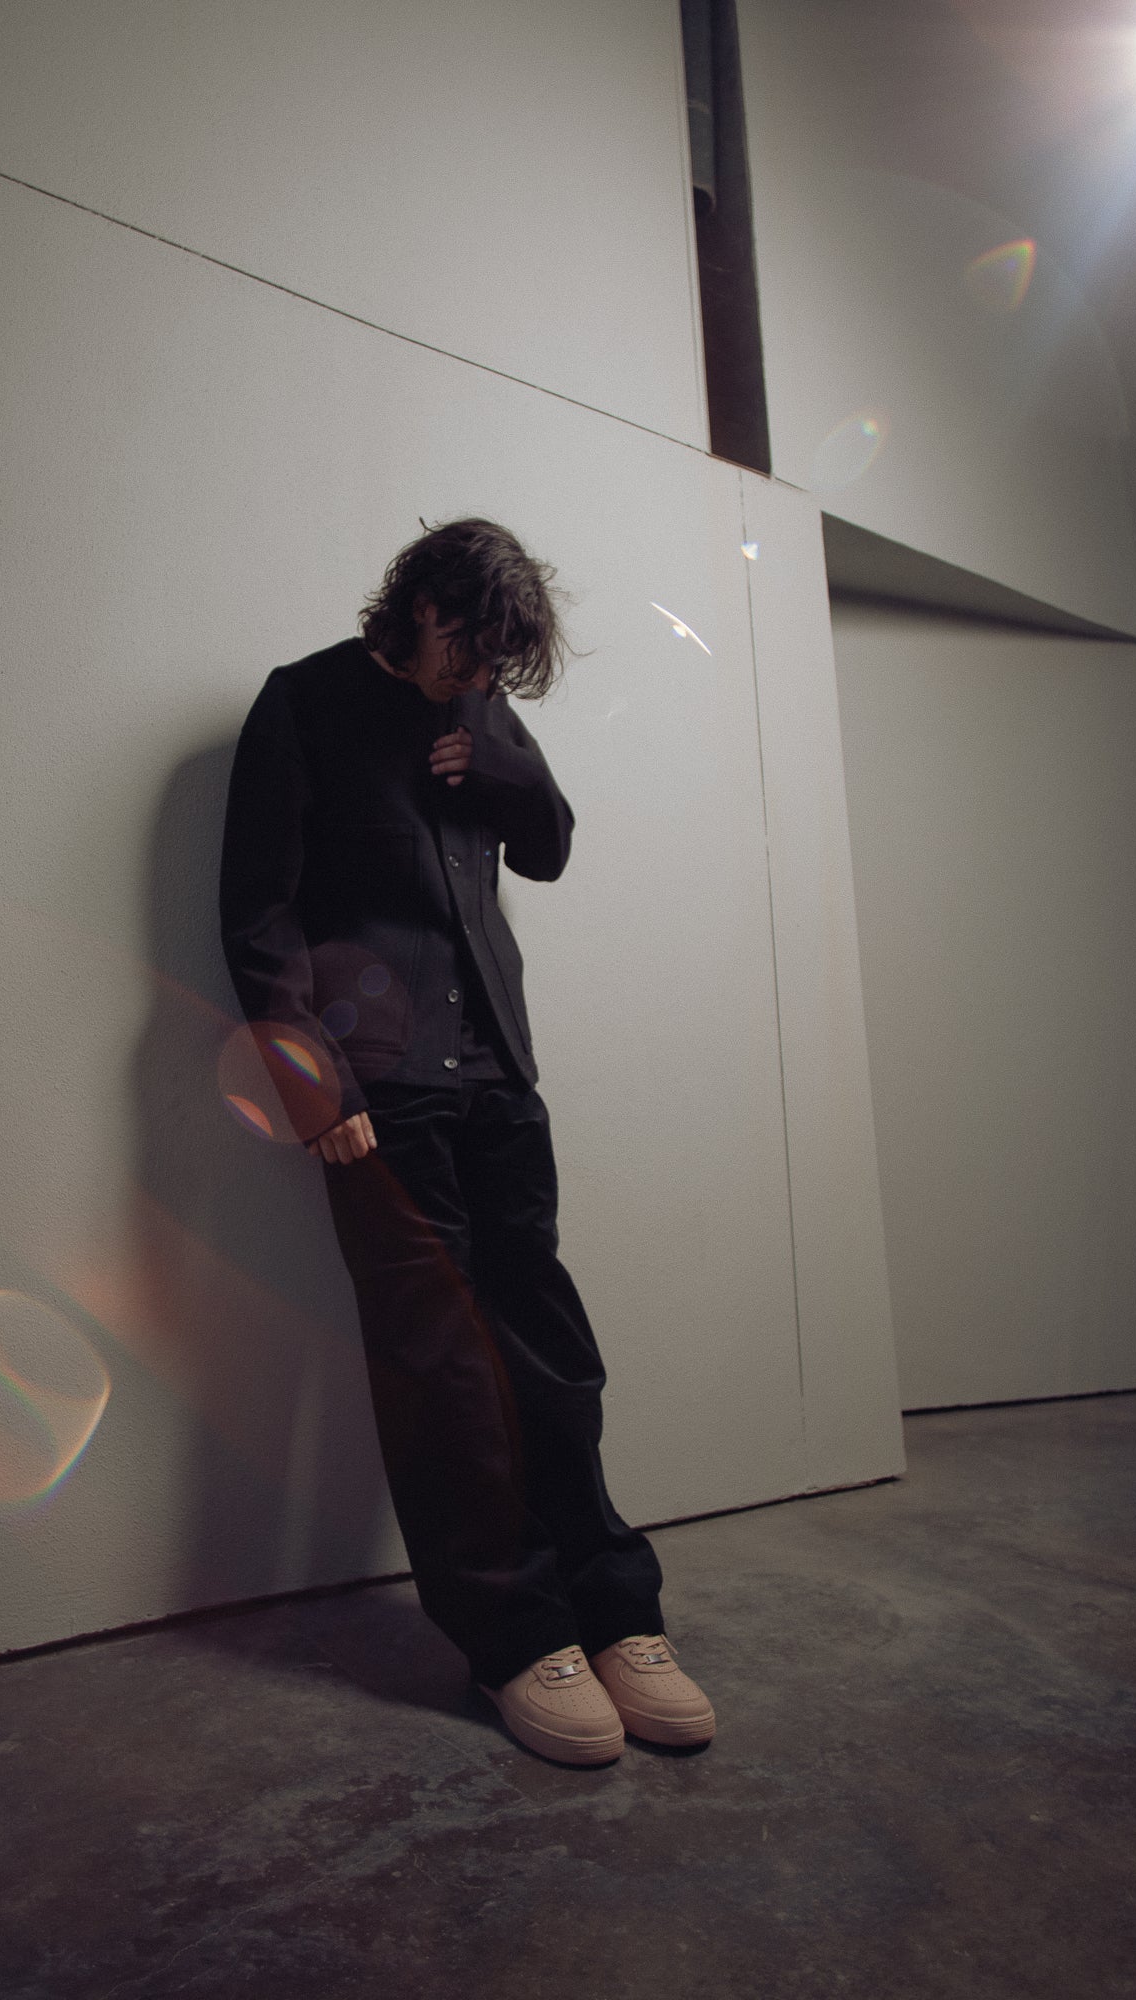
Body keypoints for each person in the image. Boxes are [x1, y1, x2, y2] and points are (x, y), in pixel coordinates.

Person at [218, 518, 714, 1765]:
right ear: (423, 604)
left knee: (552, 1355)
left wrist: (495, 764)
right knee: (442, 1372)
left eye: (501, 664)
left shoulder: (484, 710)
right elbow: (258, 910)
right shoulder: (305, 702)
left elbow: (545, 849)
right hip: (381, 1091)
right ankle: (514, 1635)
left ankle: (614, 1609)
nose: (481, 675)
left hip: (497, 1074)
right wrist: (312, 1083)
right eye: (472, 649)